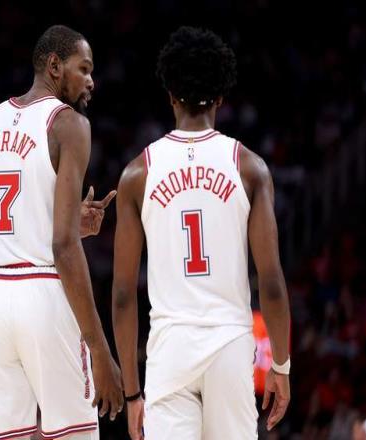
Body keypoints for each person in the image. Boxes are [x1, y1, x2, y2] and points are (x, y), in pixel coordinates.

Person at [112, 26, 291, 439]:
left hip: (170, 348)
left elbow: (122, 295)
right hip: (229, 343)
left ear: (170, 95)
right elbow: (271, 283)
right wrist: (280, 365)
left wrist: (132, 394)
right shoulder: (250, 168)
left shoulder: (137, 174)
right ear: (222, 97)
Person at [0, 25, 123, 440]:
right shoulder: (69, 124)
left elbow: (7, 215)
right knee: (76, 435)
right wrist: (99, 348)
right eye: (84, 68)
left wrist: (70, 222)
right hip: (43, 294)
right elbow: (62, 247)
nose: (91, 81)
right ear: (55, 66)